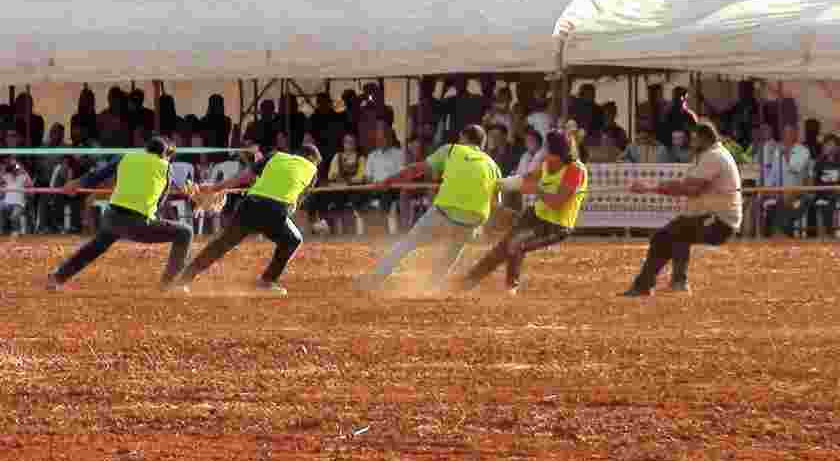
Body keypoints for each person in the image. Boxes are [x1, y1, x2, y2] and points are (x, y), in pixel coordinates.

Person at [359, 125, 502, 291]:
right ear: (482, 144)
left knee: (407, 243)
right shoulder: (493, 165)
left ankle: (374, 280)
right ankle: (431, 287)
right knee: (452, 252)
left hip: (444, 212)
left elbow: (416, 170)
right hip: (473, 220)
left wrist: (388, 181)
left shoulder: (452, 150)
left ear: (463, 138)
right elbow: (496, 204)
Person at [45, 136, 194, 291]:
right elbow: (161, 200)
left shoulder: (125, 157)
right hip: (138, 224)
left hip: (111, 218)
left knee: (95, 247)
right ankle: (170, 283)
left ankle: (58, 277)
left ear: (146, 149)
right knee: (185, 232)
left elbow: (98, 174)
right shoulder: (166, 167)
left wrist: (78, 183)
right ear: (165, 155)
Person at [171, 144, 322, 296]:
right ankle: (267, 281)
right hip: (276, 212)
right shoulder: (312, 171)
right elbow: (296, 203)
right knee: (293, 239)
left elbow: (246, 176)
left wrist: (216, 188)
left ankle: (183, 280)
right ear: (311, 159)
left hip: (250, 205)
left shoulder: (276, 156)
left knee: (221, 244)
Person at [621, 121, 742, 296]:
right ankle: (669, 283)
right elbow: (686, 185)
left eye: (694, 139)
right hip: (712, 218)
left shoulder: (714, 156)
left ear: (703, 139)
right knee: (668, 235)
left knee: (677, 231)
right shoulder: (709, 155)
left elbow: (689, 189)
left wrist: (649, 188)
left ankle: (657, 284)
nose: (691, 143)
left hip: (719, 221)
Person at [460, 130, 587, 295]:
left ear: (557, 153)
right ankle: (468, 281)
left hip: (557, 226)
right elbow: (526, 179)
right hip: (535, 215)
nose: (544, 152)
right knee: (502, 248)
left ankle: (511, 287)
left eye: (547, 148)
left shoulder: (575, 171)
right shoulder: (548, 163)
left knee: (516, 245)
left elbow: (556, 203)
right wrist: (496, 184)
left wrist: (538, 190)